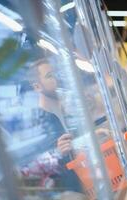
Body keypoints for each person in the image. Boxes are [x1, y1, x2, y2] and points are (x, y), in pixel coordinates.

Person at [26, 58, 83, 195]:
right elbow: (33, 170)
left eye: (56, 73)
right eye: (50, 76)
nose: (56, 79)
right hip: (68, 191)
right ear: (37, 87)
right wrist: (57, 153)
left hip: (85, 182)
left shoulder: (66, 110)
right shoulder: (39, 123)